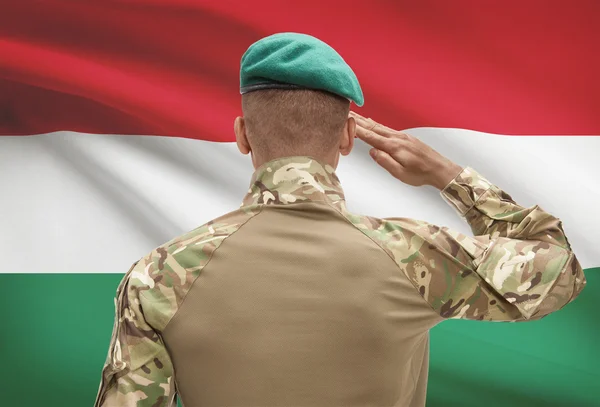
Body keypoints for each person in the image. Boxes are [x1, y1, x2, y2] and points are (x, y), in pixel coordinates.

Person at [94, 33, 586, 407]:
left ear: (242, 135)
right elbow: (560, 268)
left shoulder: (158, 275)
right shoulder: (415, 255)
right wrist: (449, 176)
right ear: (349, 136)